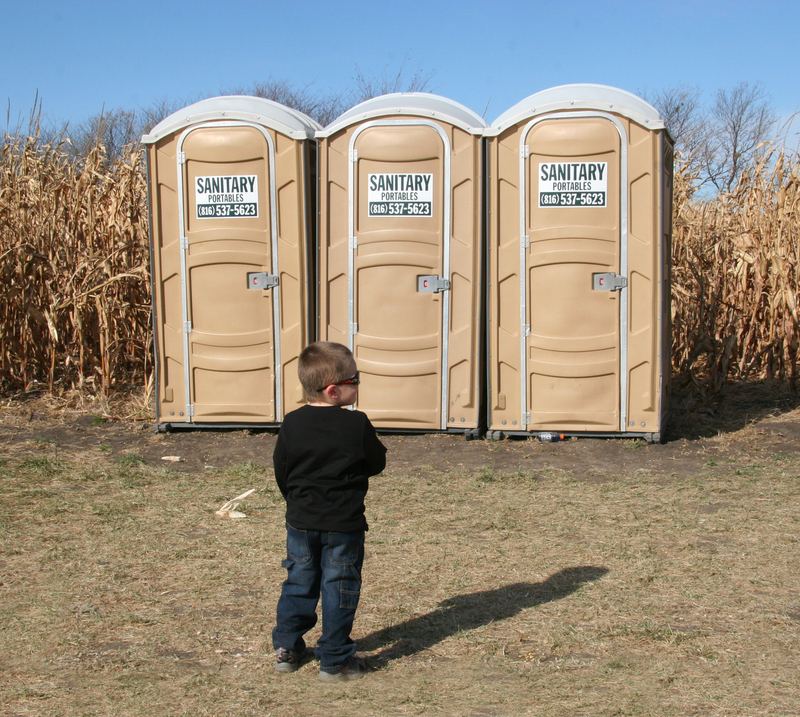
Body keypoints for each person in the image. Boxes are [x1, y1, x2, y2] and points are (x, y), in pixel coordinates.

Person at [271, 341, 387, 681]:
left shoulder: (291, 423)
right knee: (339, 587)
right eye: (356, 379)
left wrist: (295, 503)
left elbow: (283, 469)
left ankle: (288, 649)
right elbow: (376, 462)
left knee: (298, 582)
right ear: (334, 391)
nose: (359, 384)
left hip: (300, 524)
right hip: (344, 526)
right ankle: (335, 659)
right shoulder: (356, 424)